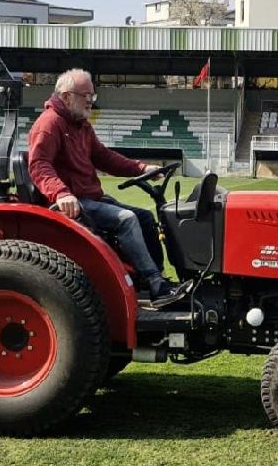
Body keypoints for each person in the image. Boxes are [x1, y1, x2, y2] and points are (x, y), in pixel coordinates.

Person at [27, 68, 178, 300]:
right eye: (85, 95)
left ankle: (155, 279)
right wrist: (62, 194)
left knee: (146, 218)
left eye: (92, 96)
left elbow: (104, 158)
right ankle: (154, 282)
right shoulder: (50, 124)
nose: (90, 101)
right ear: (66, 97)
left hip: (91, 198)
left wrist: (142, 168)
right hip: (75, 201)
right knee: (126, 220)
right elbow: (38, 164)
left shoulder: (81, 126)